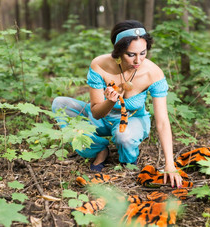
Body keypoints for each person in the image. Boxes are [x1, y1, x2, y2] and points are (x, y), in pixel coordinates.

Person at [52, 20, 182, 188]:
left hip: (132, 119)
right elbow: (96, 112)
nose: (138, 60)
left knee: (124, 136)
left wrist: (170, 164)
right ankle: (99, 149)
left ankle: (127, 159)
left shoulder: (153, 73)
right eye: (131, 54)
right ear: (119, 51)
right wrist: (110, 101)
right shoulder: (100, 65)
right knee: (60, 104)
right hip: (101, 118)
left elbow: (163, 121)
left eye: (143, 53)